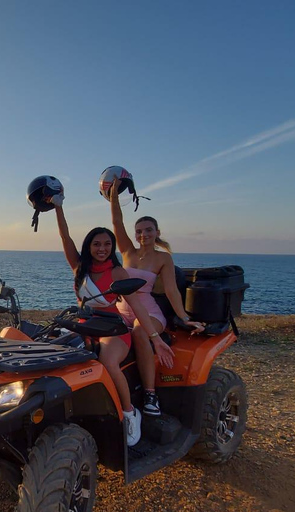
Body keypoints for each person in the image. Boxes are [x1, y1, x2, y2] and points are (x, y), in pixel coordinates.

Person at [48, 194, 158, 447]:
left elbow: (137, 306)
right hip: (83, 325)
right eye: (97, 244)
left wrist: (155, 338)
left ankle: (130, 413)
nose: (102, 249)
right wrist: (58, 207)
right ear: (89, 246)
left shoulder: (118, 272)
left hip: (113, 327)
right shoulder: (79, 267)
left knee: (107, 361)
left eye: (107, 244)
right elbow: (65, 236)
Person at [107, 175, 204, 416]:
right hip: (122, 311)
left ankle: (150, 395)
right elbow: (116, 221)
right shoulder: (127, 251)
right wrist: (113, 195)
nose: (143, 235)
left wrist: (183, 316)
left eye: (148, 230)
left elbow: (171, 290)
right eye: (139, 231)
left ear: (156, 231)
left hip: (149, 313)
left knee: (141, 330)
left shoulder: (163, 258)